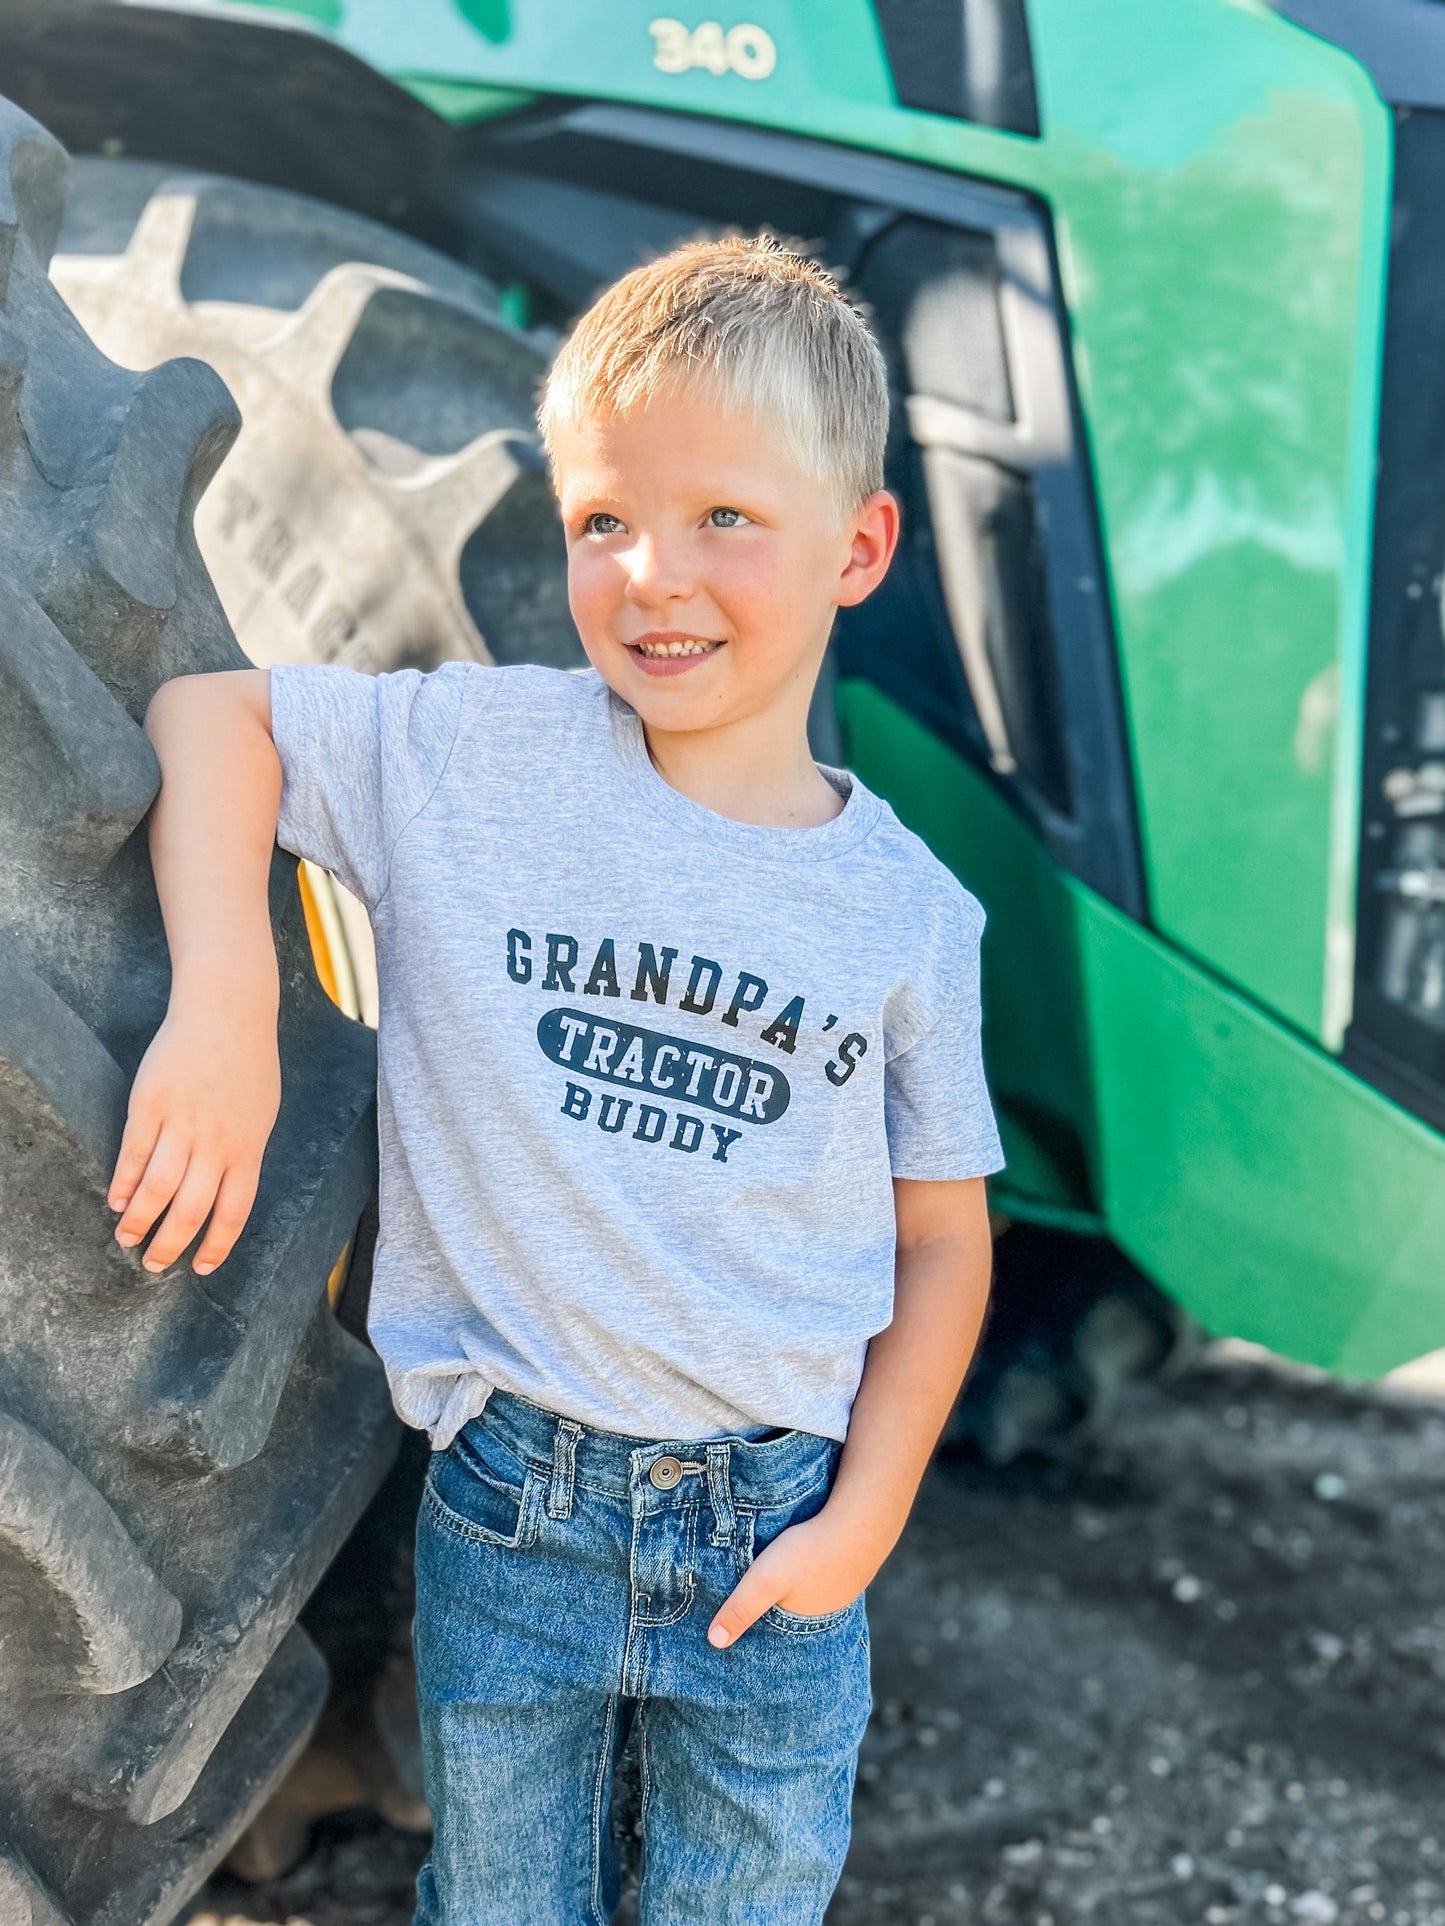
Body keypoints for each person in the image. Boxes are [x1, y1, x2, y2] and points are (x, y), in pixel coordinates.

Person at [110, 235, 1004, 1924]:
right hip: (515, 1506)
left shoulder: (904, 917)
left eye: (723, 517)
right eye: (602, 520)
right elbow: (210, 717)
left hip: (775, 1527)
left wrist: (863, 1519)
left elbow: (943, 1244)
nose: (651, 574)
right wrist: (224, 996)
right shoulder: (470, 758)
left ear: (859, 545)